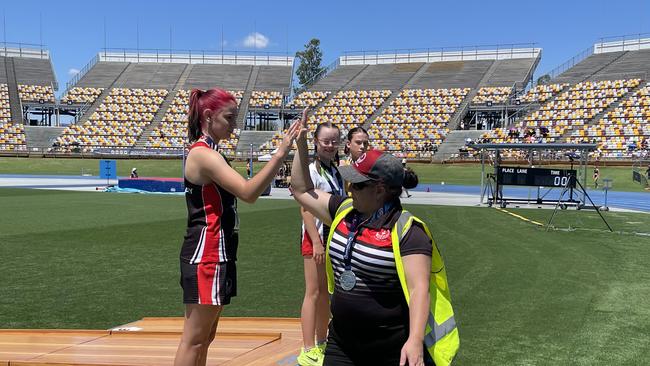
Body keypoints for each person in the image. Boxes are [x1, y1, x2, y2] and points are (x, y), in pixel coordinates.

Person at [290, 111, 459, 366]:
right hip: (342, 344)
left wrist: (414, 341)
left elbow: (419, 290)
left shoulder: (408, 231)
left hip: (389, 349)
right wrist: (301, 144)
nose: (350, 189)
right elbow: (301, 190)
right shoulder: (344, 209)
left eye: (357, 185)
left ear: (379, 190)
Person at [174, 88, 301, 366]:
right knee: (194, 339)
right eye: (229, 117)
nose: (234, 125)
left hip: (218, 251)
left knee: (205, 338)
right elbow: (248, 192)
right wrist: (280, 153)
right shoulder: (203, 154)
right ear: (208, 116)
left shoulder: (211, 152)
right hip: (206, 252)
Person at [297, 121, 345, 366]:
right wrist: (316, 243)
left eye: (334, 141)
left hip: (332, 240)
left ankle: (322, 340)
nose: (330, 145)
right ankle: (307, 348)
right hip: (315, 238)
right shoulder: (312, 170)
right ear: (315, 142)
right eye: (325, 141)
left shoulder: (335, 170)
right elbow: (305, 208)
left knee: (326, 294)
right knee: (313, 293)